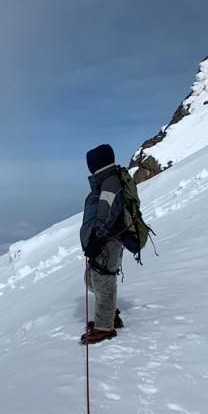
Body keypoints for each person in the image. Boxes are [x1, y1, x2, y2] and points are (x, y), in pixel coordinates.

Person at [79, 144, 125, 344]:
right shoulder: (106, 181)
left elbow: (106, 215)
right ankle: (106, 316)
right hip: (104, 241)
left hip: (107, 242)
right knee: (93, 279)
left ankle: (105, 326)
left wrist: (97, 240)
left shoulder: (109, 183)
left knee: (103, 281)